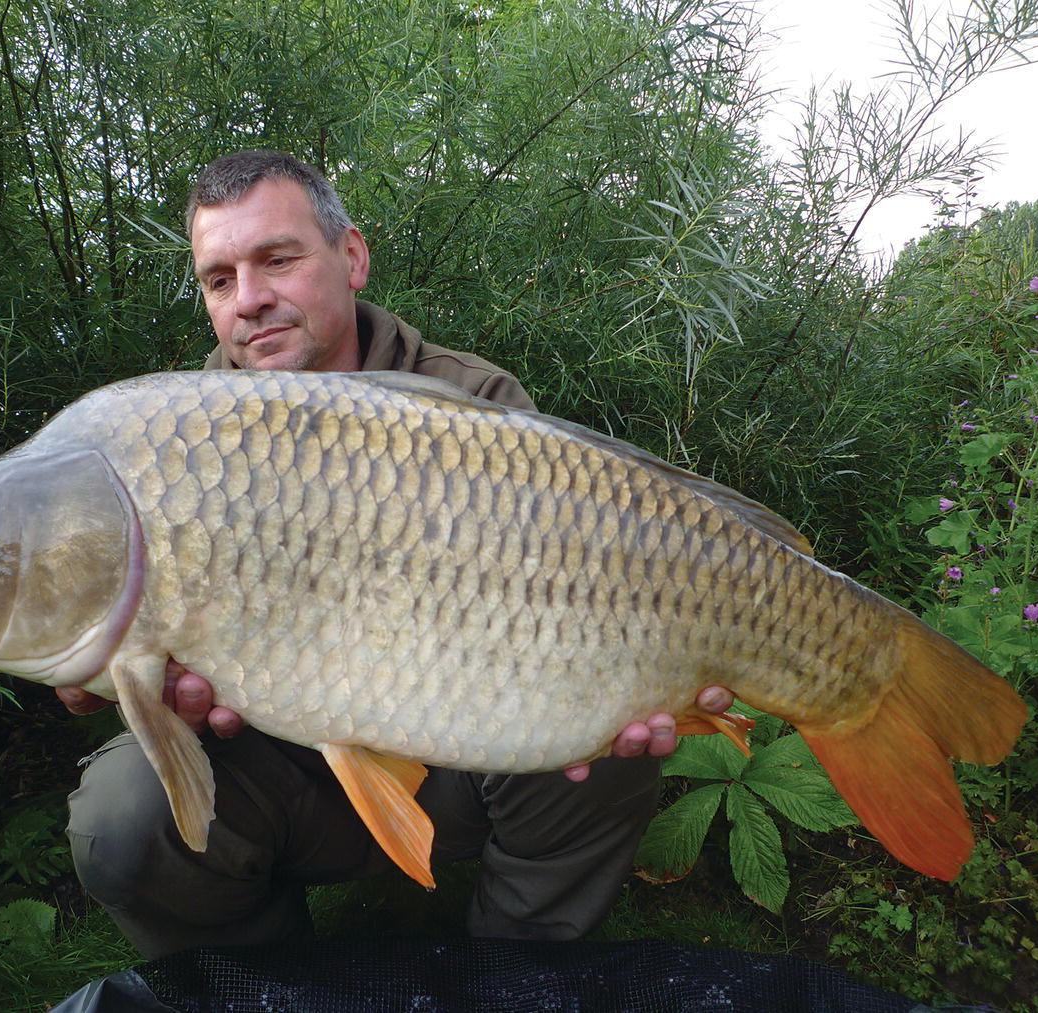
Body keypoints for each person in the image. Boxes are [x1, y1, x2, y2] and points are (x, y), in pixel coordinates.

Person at [59, 150, 735, 958]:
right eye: (219, 279)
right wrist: (90, 680)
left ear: (351, 256)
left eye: (277, 259)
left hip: (460, 755)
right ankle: (272, 983)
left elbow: (588, 588)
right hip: (272, 773)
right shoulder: (169, 444)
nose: (251, 301)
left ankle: (517, 972)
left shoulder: (476, 407)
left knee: (607, 727)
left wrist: (639, 671)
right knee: (119, 816)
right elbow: (82, 656)